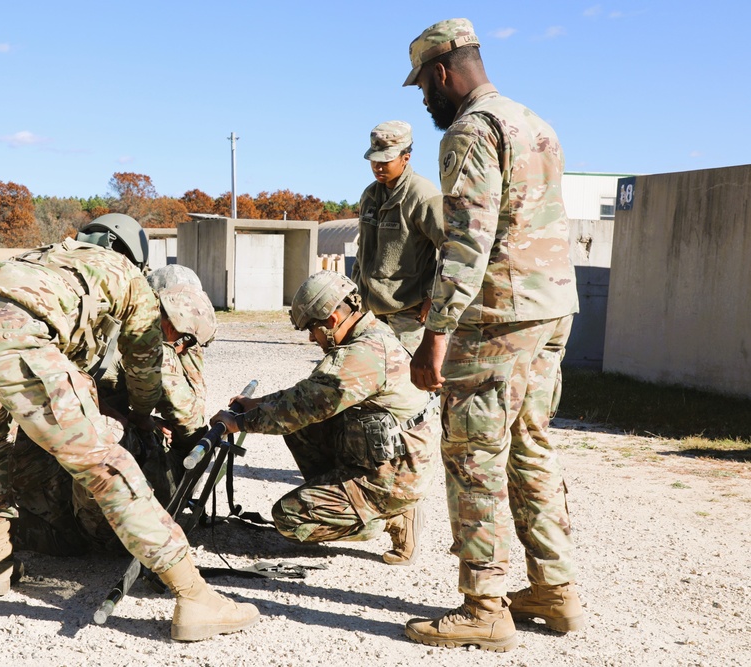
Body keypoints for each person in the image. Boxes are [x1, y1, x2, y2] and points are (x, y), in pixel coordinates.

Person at [0, 213, 257, 641]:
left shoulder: (48, 258)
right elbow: (145, 365)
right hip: (10, 330)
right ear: (131, 257)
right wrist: (139, 413)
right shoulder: (128, 278)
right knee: (104, 463)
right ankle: (194, 596)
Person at [402, 18, 582, 651]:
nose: (425, 98)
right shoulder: (537, 123)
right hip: (552, 311)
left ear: (444, 72)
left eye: (424, 84)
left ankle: (484, 604)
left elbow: (467, 242)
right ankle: (554, 590)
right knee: (531, 446)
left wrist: (436, 333)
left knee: (474, 454)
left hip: (500, 318)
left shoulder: (469, 131)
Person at [0, 270, 219, 559]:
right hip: (56, 459)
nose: (182, 347)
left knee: (89, 511)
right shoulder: (142, 341)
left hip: (45, 454)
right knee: (92, 542)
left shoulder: (96, 321)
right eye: (182, 337)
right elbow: (186, 418)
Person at [210, 271, 438, 565]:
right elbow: (307, 395)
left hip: (394, 476)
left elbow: (301, 409)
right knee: (302, 430)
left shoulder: (360, 355)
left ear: (331, 321)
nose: (310, 337)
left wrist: (237, 423)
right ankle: (361, 503)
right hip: (393, 458)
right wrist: (255, 404)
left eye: (312, 329)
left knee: (289, 519)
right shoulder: (373, 333)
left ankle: (381, 517)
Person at [352, 120, 447, 355]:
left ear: (406, 157)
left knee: (413, 385)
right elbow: (362, 251)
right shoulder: (370, 195)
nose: (378, 166)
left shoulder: (423, 195)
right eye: (374, 159)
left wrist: (433, 299)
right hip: (370, 314)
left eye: (386, 160)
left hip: (409, 317)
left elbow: (451, 249)